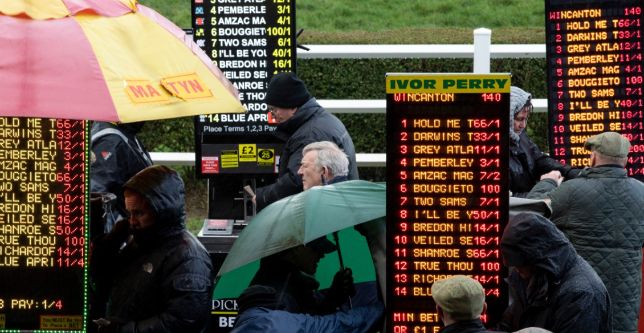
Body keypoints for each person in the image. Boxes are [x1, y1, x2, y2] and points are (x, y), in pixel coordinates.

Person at [527, 131, 644, 333]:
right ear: (625, 160)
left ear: (594, 156)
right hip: (626, 298)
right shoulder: (642, 191)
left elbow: (531, 212)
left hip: (581, 295)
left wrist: (548, 181)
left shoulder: (571, 191)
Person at [90, 165, 214, 333]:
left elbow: (183, 322)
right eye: (129, 213)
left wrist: (123, 330)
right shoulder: (141, 242)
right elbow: (103, 283)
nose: (132, 221)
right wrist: (107, 246)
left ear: (162, 210)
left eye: (139, 213)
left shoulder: (188, 258)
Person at [253, 72, 358, 210]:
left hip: (327, 210)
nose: (272, 114)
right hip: (338, 206)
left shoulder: (310, 134)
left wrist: (263, 197)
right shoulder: (320, 121)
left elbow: (297, 179)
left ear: (292, 106)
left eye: (274, 109)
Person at [231, 238, 384, 332]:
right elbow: (314, 327)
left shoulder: (289, 279)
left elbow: (308, 315)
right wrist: (382, 308)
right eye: (315, 248)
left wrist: (334, 295)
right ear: (295, 249)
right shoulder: (278, 296)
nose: (322, 254)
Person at [498, 212, 612, 333]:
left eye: (519, 263)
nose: (516, 269)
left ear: (536, 258)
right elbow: (507, 324)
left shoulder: (582, 294)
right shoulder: (532, 276)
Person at [508, 86, 578, 197]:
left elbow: (539, 160)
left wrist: (571, 172)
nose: (523, 125)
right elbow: (509, 200)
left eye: (526, 119)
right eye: (519, 119)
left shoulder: (520, 137)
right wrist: (547, 189)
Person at [90, 121, 153, 228]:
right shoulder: (109, 140)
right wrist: (116, 237)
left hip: (134, 227)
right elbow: (97, 197)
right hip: (126, 232)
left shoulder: (124, 133)